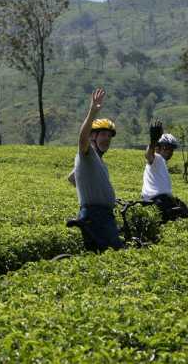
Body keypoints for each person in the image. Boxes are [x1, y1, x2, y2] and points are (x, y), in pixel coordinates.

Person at [66, 87, 124, 252]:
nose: (107, 139)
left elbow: (72, 178)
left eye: (109, 136)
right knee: (116, 254)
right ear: (93, 136)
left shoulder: (96, 162)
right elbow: (82, 139)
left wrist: (90, 189)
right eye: (102, 134)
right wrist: (92, 112)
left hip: (102, 214)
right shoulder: (88, 153)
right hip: (97, 215)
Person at [141, 120, 188, 222]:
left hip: (164, 199)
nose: (169, 151)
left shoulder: (162, 163)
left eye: (171, 149)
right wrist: (153, 140)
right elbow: (148, 155)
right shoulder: (157, 158)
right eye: (166, 148)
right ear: (158, 148)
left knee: (187, 214)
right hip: (156, 201)